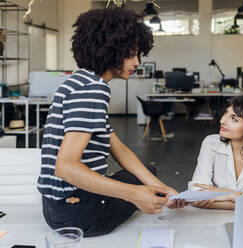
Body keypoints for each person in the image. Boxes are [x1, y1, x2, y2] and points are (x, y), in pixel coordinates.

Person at [37, 7, 184, 237]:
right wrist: (135, 194)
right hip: (78, 215)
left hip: (55, 209)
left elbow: (120, 150)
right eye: (131, 54)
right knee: (143, 184)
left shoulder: (79, 81)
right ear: (110, 50)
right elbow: (65, 167)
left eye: (139, 54)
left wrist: (163, 189)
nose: (137, 62)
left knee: (147, 175)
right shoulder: (93, 90)